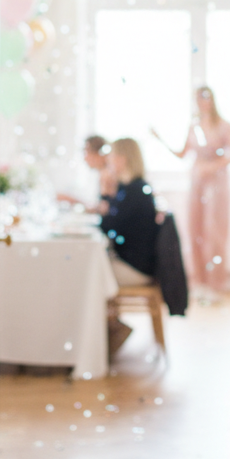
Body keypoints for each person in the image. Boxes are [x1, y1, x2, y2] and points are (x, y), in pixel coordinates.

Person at [157, 86, 230, 302]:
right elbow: (183, 153)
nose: (202, 103)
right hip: (197, 183)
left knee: (215, 234)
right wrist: (160, 139)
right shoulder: (193, 126)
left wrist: (213, 166)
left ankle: (216, 285)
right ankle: (199, 283)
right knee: (195, 232)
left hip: (217, 185)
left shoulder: (223, 126)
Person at [100, 137, 160, 358]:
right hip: (134, 261)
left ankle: (106, 332)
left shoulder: (134, 191)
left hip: (137, 268)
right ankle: (106, 329)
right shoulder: (133, 188)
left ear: (122, 159)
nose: (109, 161)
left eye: (112, 156)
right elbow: (111, 221)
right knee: (92, 268)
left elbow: (108, 226)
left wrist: (105, 193)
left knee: (88, 273)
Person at [57, 135, 116, 212]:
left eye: (86, 153)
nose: (84, 158)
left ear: (98, 153)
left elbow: (105, 210)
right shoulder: (104, 173)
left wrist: (74, 201)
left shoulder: (108, 175)